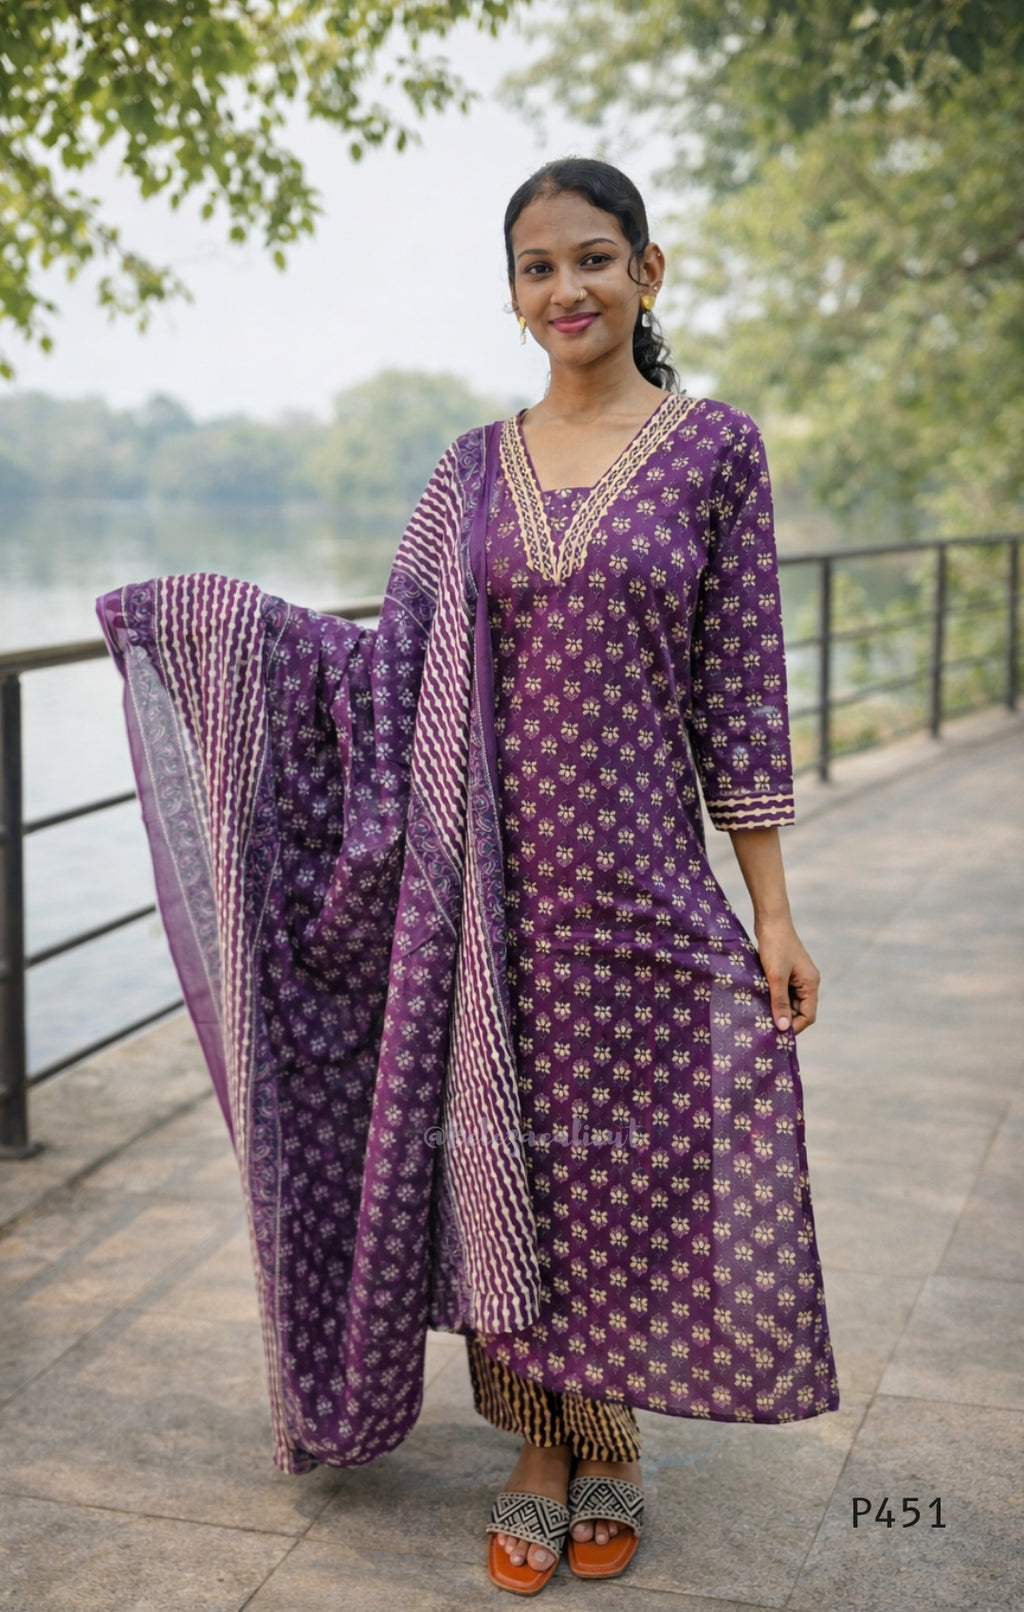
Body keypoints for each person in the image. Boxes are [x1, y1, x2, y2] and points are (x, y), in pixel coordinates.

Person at [98, 156, 837, 1605]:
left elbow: (742, 687)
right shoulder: (467, 472)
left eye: (595, 260)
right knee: (502, 1165)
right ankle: (540, 1457)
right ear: (513, 294)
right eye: (539, 267)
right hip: (481, 901)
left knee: (634, 1167)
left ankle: (609, 1429)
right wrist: (225, 634)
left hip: (640, 895)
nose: (569, 289)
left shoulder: (713, 451)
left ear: (650, 272)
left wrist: (773, 910)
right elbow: (395, 675)